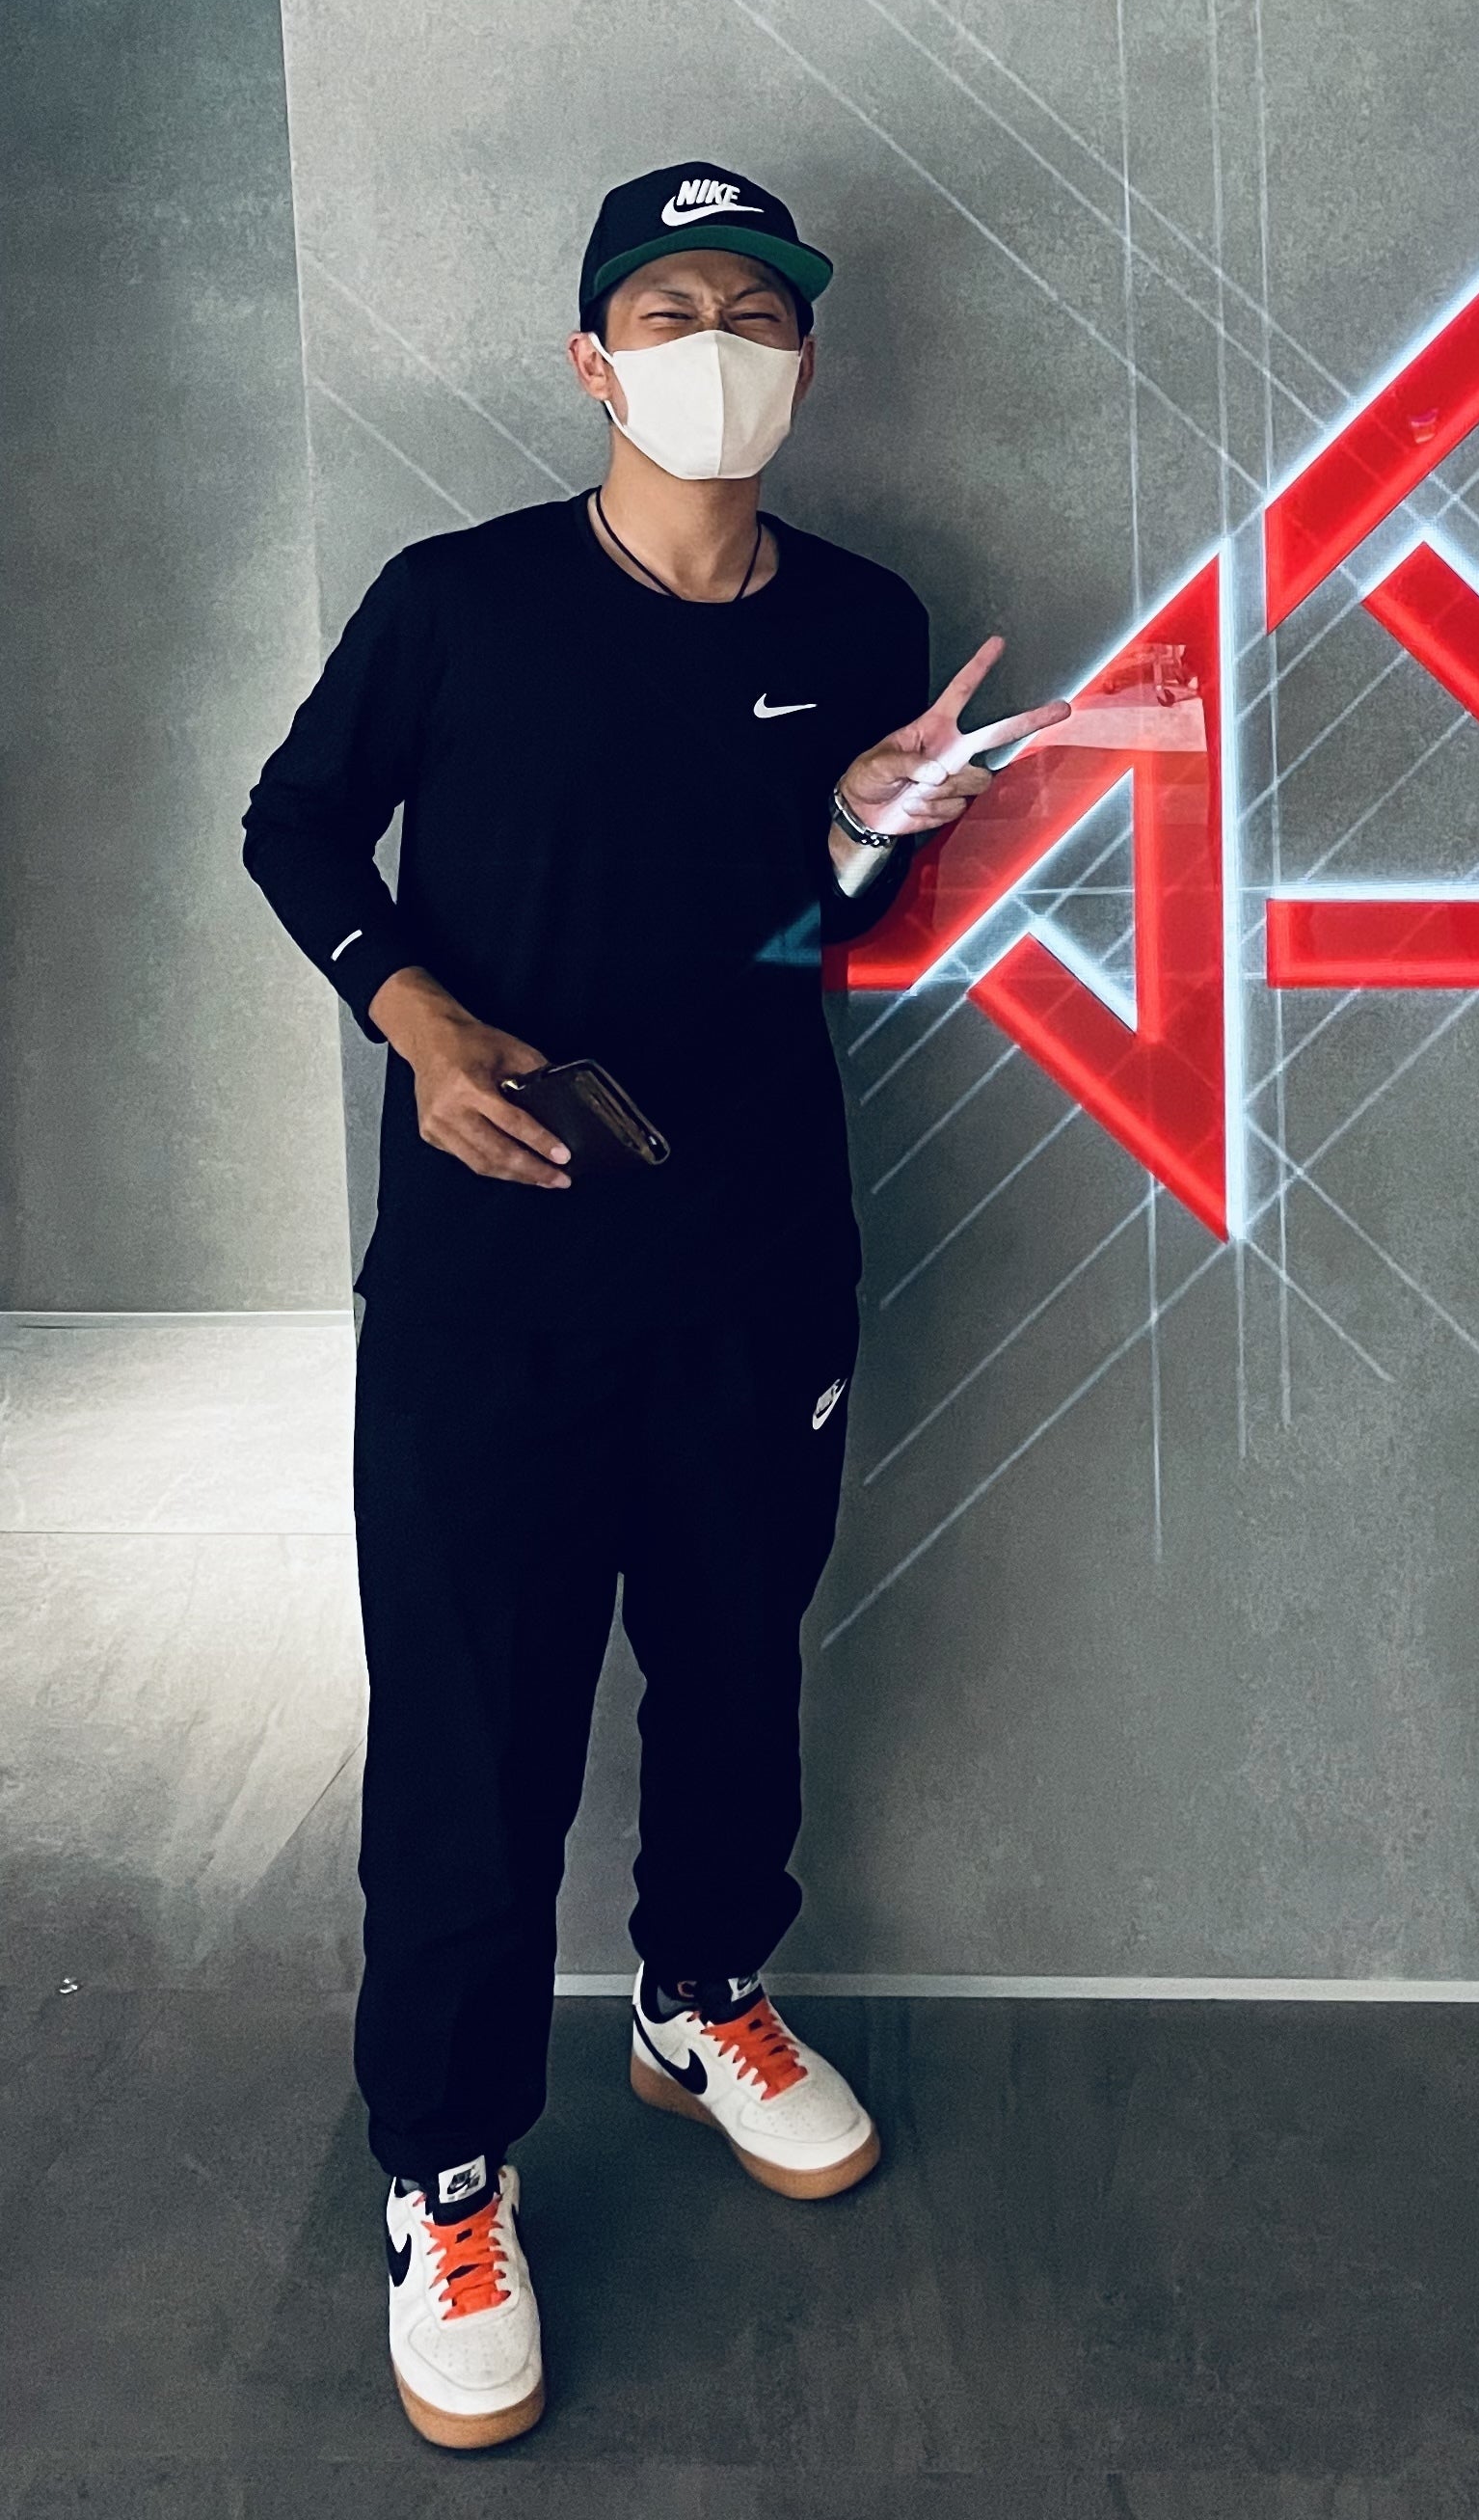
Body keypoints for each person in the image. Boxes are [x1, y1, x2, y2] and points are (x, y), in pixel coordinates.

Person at [241, 160, 1062, 2453]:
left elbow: (822, 932)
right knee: (475, 1724)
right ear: (594, 362)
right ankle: (445, 2167)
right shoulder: (459, 603)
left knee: (731, 1659)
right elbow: (294, 825)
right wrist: (413, 1014)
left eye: (762, 313)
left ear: (809, 359)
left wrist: (865, 827)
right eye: (676, 309)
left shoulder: (870, 619)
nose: (724, 348)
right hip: (492, 1280)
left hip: (754, 1260)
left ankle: (700, 1997)